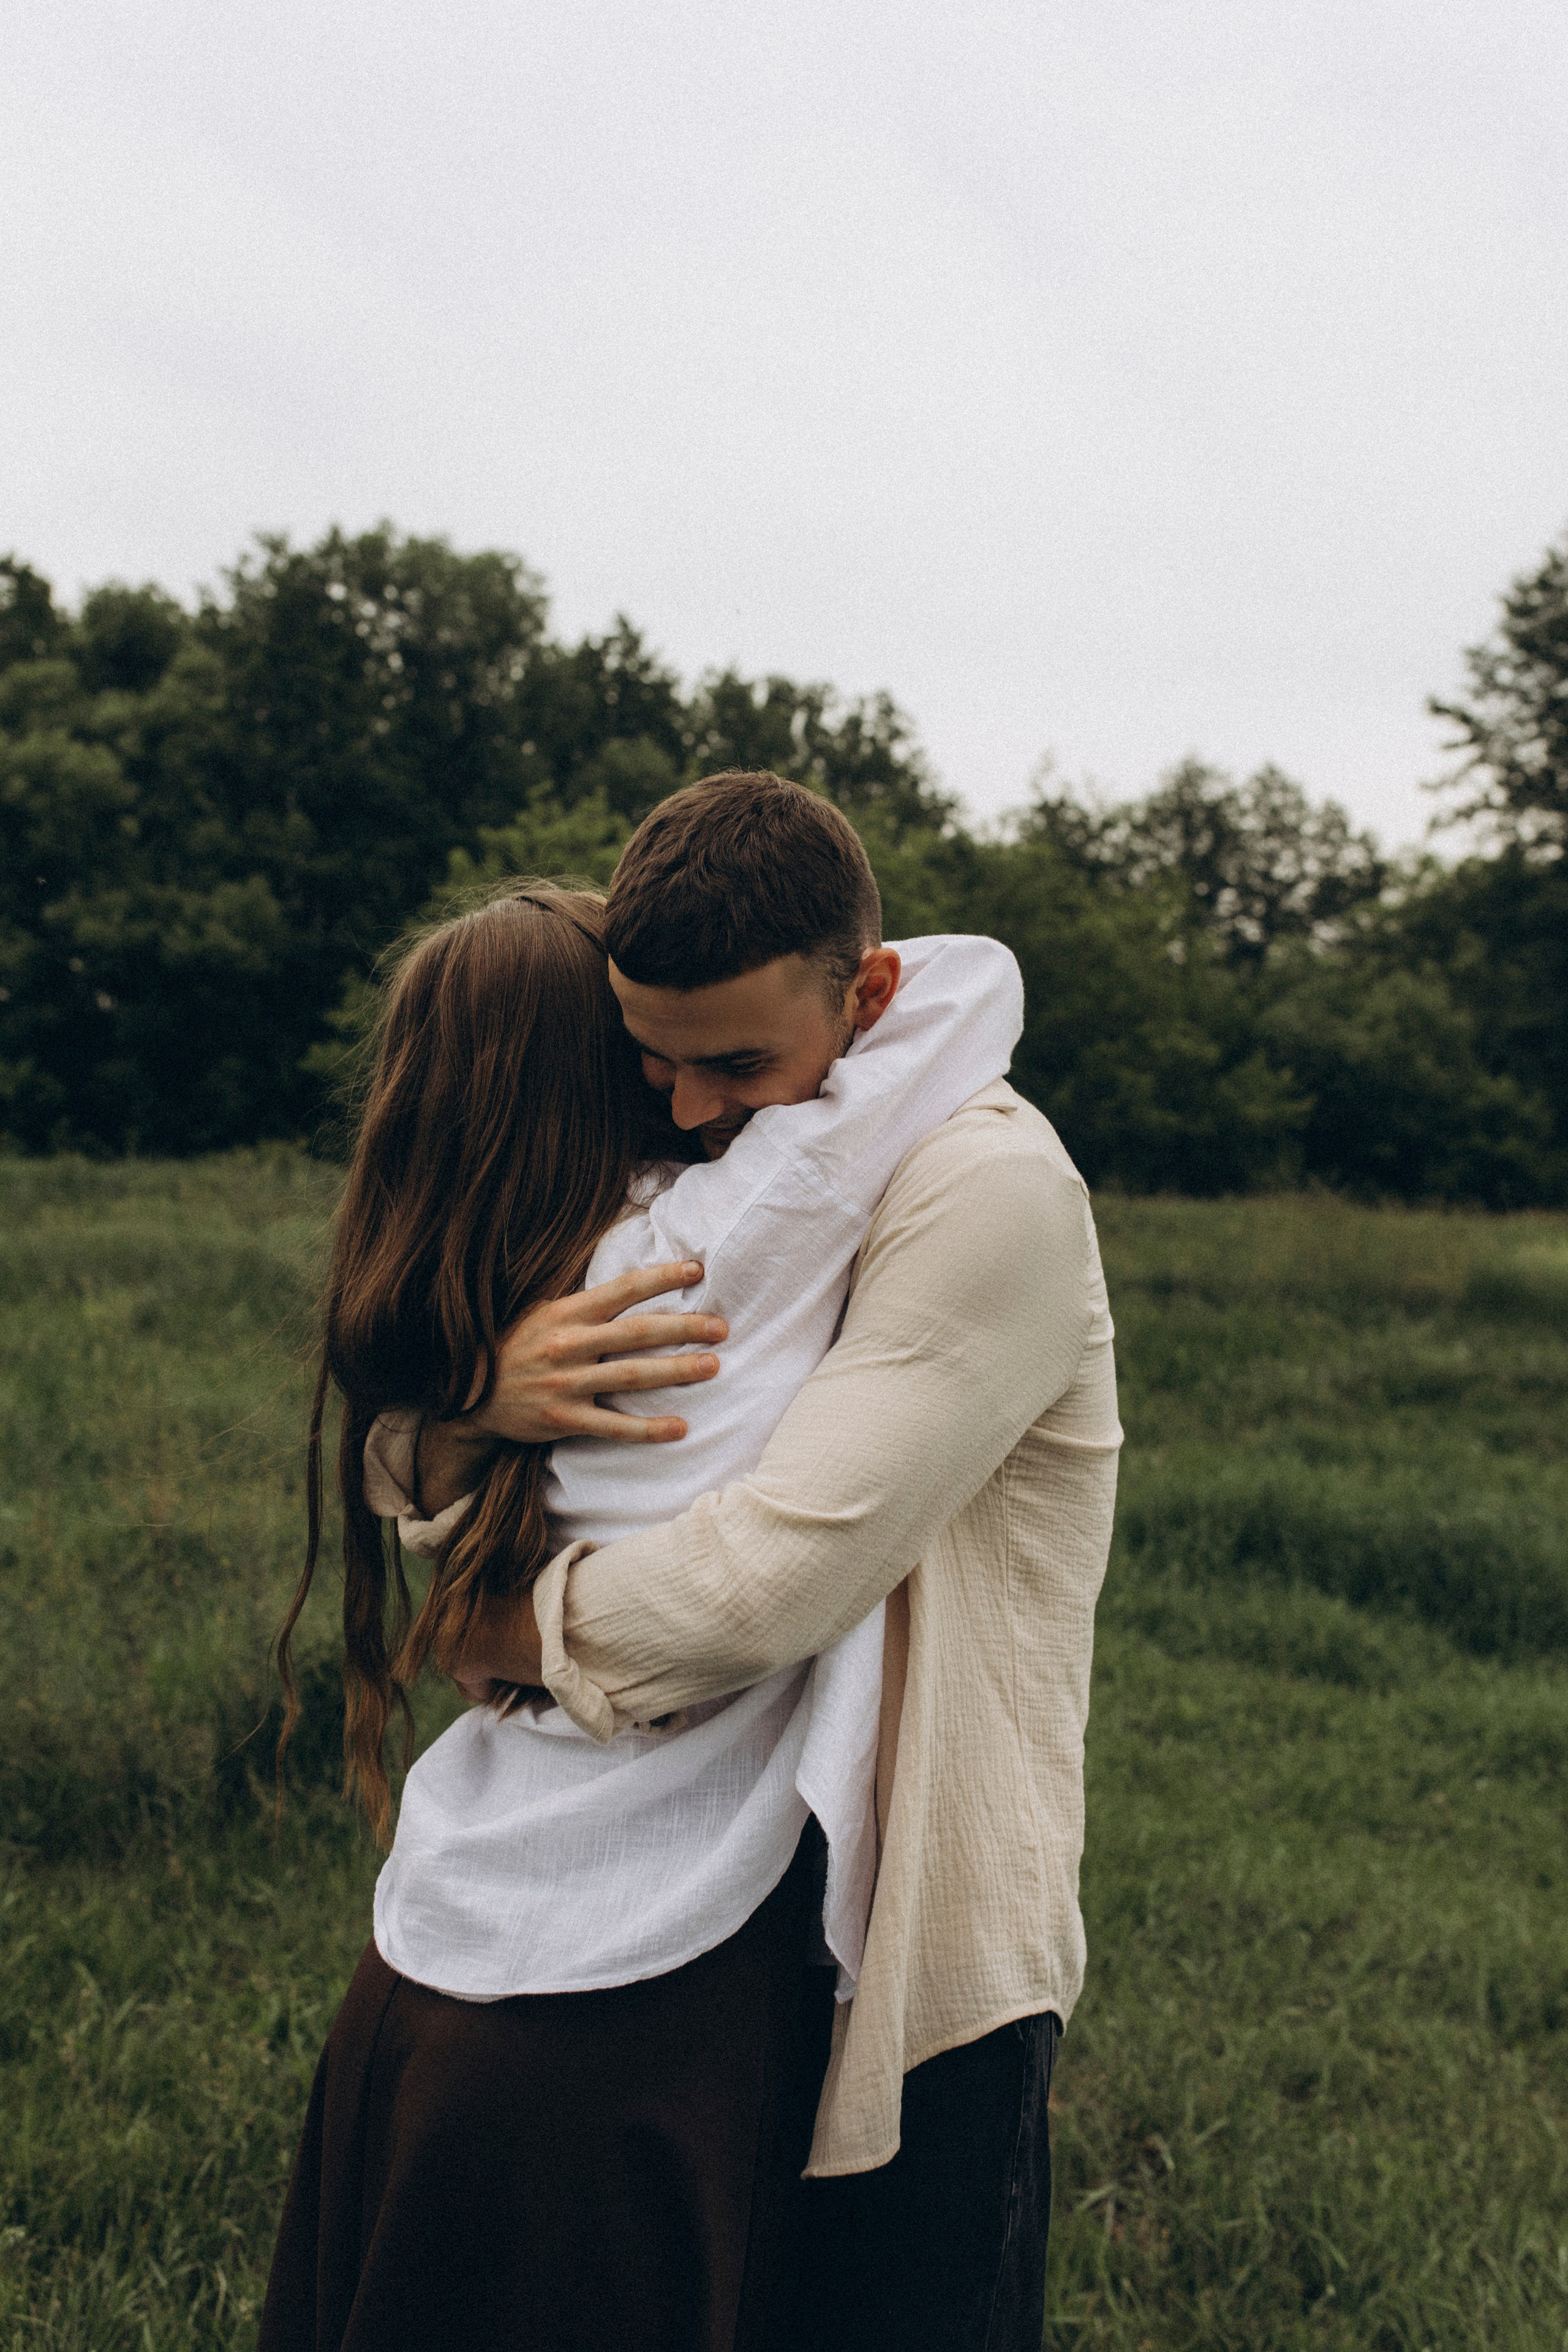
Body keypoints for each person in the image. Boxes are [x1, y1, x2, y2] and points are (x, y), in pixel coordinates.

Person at [261, 797, 1035, 2349]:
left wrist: (495, 1608)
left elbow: (744, 1597)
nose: (690, 1111)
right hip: (656, 1928)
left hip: (846, 1910)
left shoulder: (957, 1190)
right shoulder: (694, 1237)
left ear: (861, 999)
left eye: (730, 1068)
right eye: (647, 1062)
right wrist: (464, 1398)